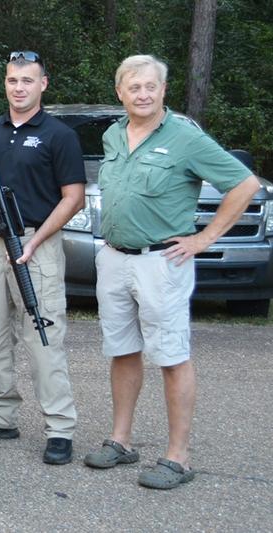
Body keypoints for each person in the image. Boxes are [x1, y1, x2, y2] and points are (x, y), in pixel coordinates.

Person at [82, 54, 260, 489]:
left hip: (162, 262)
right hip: (114, 257)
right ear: (120, 92)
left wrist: (205, 239)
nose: (142, 94)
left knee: (171, 356)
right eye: (133, 87)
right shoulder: (112, 135)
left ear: (164, 90)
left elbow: (245, 184)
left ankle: (177, 457)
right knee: (122, 350)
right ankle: (121, 441)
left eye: (150, 86)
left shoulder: (184, 137)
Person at [0, 51, 85, 465]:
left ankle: (59, 427)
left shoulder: (59, 135)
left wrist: (38, 239)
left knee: (43, 337)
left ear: (43, 84)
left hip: (36, 243)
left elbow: (74, 198)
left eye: (28, 80)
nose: (19, 88)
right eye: (12, 80)